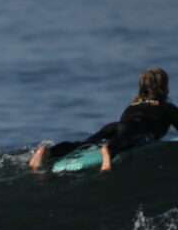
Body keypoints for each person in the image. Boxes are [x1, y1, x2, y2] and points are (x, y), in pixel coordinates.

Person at [30, 68, 178, 172]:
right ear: (164, 88)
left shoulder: (133, 105)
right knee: (125, 141)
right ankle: (109, 151)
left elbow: (125, 124)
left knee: (84, 144)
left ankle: (50, 152)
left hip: (116, 126)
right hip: (137, 128)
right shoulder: (168, 108)